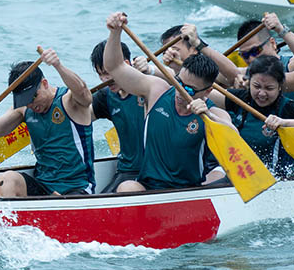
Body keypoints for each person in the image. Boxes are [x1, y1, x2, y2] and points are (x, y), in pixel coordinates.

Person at [104, 12, 232, 192]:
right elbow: (115, 67)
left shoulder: (213, 113)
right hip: (148, 186)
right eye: (179, 83)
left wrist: (209, 116)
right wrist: (114, 32)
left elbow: (232, 135)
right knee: (127, 187)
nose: (180, 93)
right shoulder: (157, 91)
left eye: (189, 90)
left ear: (207, 91)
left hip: (188, 191)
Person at [0, 48, 95, 197]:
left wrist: (58, 65)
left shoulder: (70, 101)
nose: (31, 105)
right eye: (25, 100)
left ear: (45, 83)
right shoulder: (24, 109)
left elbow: (84, 94)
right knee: (8, 179)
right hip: (43, 186)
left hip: (77, 187)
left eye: (33, 97)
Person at [207, 55, 294, 177]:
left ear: (280, 87)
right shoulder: (240, 98)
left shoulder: (287, 107)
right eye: (256, 86)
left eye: (269, 88)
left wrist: (284, 122)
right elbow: (204, 94)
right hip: (241, 170)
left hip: (273, 176)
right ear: (249, 82)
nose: (261, 93)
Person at [89, 40, 146, 192]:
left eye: (107, 73)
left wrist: (152, 70)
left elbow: (174, 81)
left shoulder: (149, 86)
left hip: (152, 172)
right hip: (125, 171)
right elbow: (79, 118)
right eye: (100, 74)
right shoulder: (106, 96)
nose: (104, 80)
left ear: (125, 64)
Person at [153, 23, 240, 85]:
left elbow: (236, 76)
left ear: (193, 49)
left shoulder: (208, 69)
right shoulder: (170, 71)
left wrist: (198, 44)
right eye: (164, 51)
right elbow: (153, 70)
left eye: (174, 49)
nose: (169, 53)